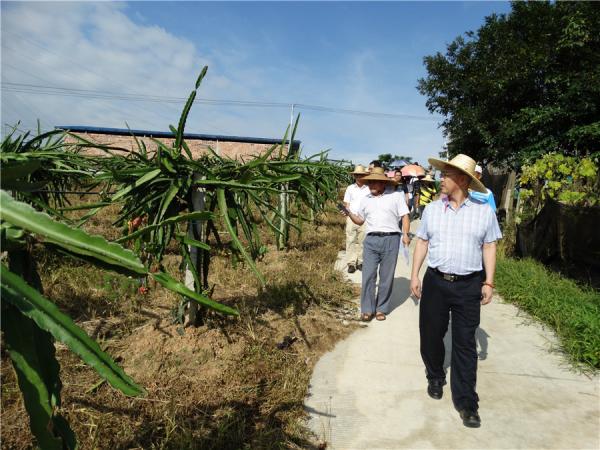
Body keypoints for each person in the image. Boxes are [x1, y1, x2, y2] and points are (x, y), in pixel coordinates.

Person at [410, 154, 502, 429]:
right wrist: (415, 274)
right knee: (430, 334)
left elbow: (489, 246)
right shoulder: (432, 210)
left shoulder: (483, 210)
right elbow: (423, 241)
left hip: (468, 285)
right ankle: (435, 376)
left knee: (464, 344)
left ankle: (466, 402)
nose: (441, 179)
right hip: (436, 282)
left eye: (446, 175)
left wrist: (488, 282)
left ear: (462, 180)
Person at [343, 167, 410, 322]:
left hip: (391, 240)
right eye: (370, 182)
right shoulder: (366, 199)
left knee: (386, 277)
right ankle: (367, 309)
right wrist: (349, 213)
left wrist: (405, 234)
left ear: (383, 183)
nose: (371, 185)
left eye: (374, 182)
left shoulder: (395, 197)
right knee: (368, 275)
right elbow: (360, 220)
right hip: (371, 240)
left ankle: (381, 308)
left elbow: (405, 216)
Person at [342, 164, 370, 273]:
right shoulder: (350, 188)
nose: (359, 177)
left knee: (363, 241)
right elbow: (346, 203)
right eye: (357, 175)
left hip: (364, 218)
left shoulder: (368, 189)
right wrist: (345, 212)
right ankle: (351, 263)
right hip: (351, 217)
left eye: (361, 175)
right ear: (354, 176)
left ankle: (360, 261)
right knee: (350, 240)